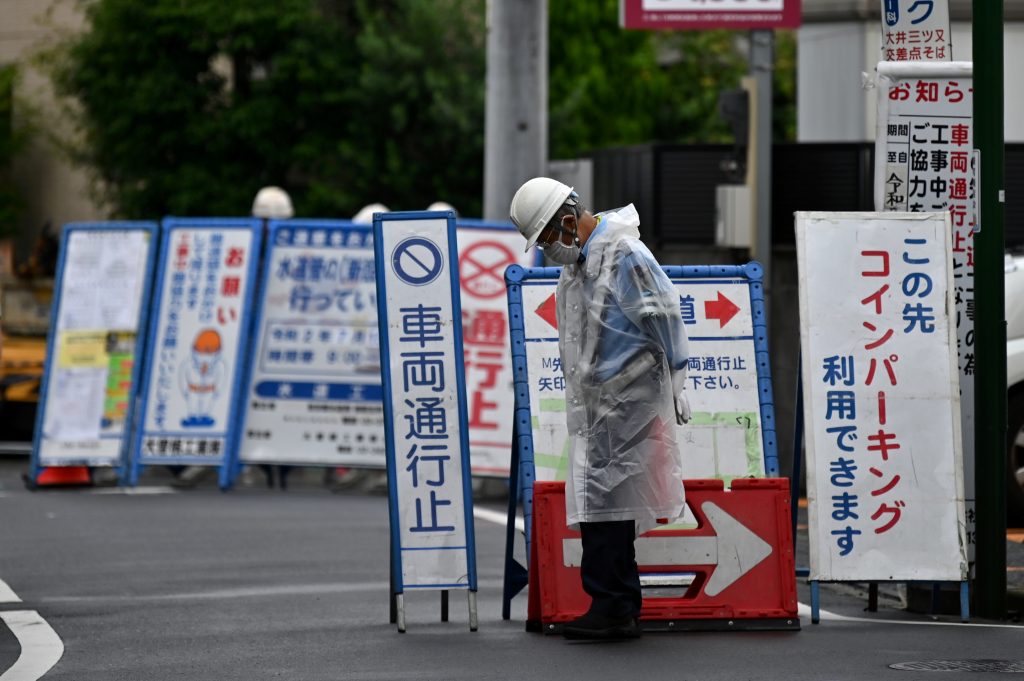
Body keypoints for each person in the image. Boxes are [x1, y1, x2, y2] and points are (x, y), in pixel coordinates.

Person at [509, 177, 690, 640]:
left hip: (626, 401)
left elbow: (664, 313)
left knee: (608, 508)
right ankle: (614, 604)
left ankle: (614, 606)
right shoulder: (583, 265)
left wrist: (678, 379)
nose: (548, 249)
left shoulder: (623, 254)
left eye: (548, 237)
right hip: (601, 405)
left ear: (567, 221)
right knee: (602, 507)